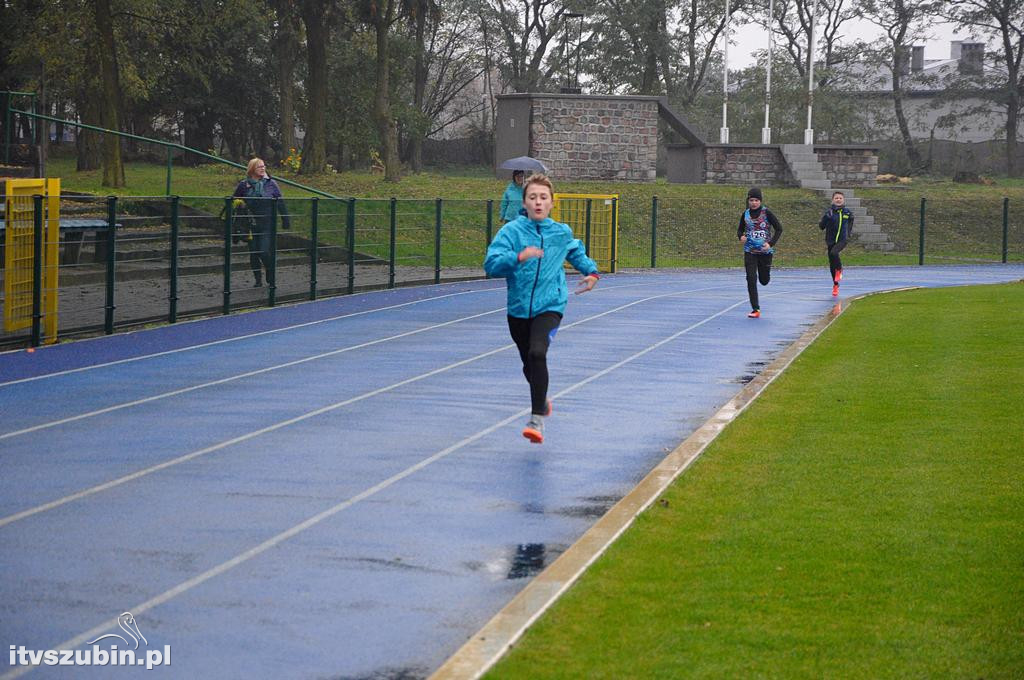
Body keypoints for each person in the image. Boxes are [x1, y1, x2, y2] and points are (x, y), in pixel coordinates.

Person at [484, 173, 600, 444]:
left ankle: (536, 420)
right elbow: (491, 265)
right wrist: (518, 257)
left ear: (551, 202)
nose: (538, 202)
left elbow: (575, 250)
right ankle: (542, 398)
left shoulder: (560, 232)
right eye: (532, 197)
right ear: (524, 203)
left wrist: (591, 272)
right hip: (518, 309)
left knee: (538, 354)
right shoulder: (511, 232)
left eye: (543, 197)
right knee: (528, 364)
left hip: (550, 304)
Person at [233, 157, 290, 287]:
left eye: (264, 166)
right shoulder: (243, 184)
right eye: (259, 166)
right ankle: (258, 280)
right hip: (250, 223)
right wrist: (239, 204)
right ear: (252, 169)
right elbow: (234, 200)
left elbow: (280, 202)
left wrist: (285, 219)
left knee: (264, 251)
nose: (263, 168)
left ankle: (270, 273)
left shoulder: (271, 183)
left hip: (267, 223)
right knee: (253, 253)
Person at [737, 186, 782, 318]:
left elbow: (779, 229)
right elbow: (739, 230)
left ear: (760, 201)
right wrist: (741, 237)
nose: (754, 202)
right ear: (748, 201)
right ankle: (755, 309)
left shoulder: (766, 213)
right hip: (750, 252)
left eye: (757, 200)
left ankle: (766, 274)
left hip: (765, 253)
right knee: (751, 278)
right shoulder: (745, 214)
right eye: (752, 200)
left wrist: (770, 244)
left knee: (764, 280)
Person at [819, 190, 853, 297]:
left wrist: (848, 235)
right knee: (832, 263)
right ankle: (835, 284)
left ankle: (839, 269)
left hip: (842, 240)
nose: (838, 200)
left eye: (840, 198)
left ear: (843, 200)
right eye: (836, 198)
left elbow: (850, 223)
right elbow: (821, 226)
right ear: (833, 200)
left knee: (834, 253)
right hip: (830, 240)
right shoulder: (829, 212)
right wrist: (826, 218)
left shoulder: (847, 213)